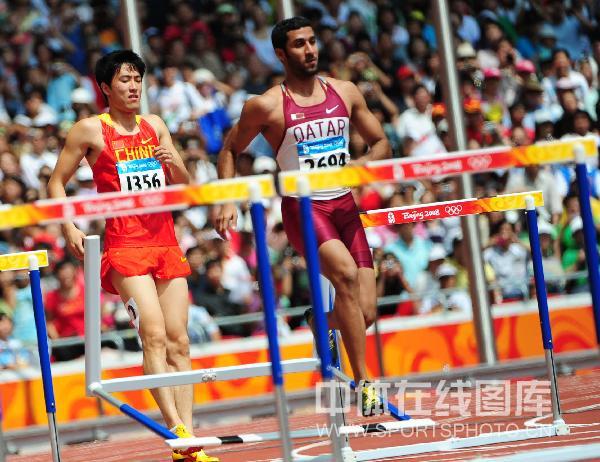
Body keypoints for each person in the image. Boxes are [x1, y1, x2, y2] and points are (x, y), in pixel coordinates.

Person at [215, 17, 391, 417]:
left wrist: (361, 166)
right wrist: (225, 201)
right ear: (281, 53)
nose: (310, 50)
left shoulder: (344, 92)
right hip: (304, 208)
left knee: (365, 313)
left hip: (345, 205)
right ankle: (365, 383)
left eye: (312, 42)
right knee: (344, 276)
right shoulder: (265, 105)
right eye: (299, 45)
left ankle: (319, 320)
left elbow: (381, 142)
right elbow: (229, 149)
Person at [47, 50, 218, 462]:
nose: (133, 86)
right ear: (106, 87)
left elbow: (185, 184)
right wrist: (69, 226)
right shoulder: (89, 130)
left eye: (138, 78)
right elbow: (56, 182)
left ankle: (189, 440)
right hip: (124, 247)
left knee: (180, 340)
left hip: (166, 242)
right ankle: (177, 433)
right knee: (154, 334)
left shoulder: (155, 125)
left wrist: (172, 161)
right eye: (124, 80)